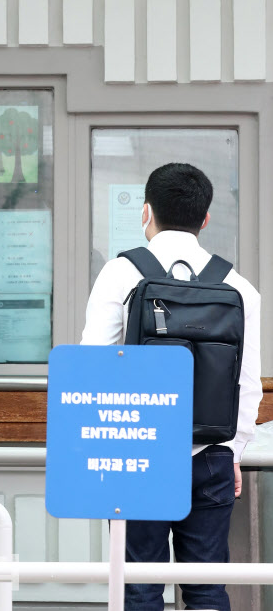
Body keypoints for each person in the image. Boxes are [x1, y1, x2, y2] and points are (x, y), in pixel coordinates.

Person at [81, 163, 262, 611]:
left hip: (135, 451)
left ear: (146, 213)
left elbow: (93, 365)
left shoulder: (121, 274)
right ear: (204, 219)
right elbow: (247, 384)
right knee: (205, 587)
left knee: (139, 587)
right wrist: (231, 451)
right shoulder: (240, 288)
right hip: (210, 455)